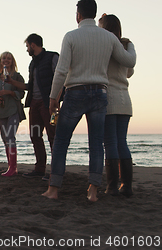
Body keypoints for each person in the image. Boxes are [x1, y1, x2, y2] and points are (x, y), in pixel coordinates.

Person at [42, 0, 136, 201]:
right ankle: (92, 191)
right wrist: (129, 45)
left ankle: (54, 189)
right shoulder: (109, 37)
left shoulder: (71, 36)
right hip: (100, 93)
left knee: (60, 142)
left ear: (78, 15)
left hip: (75, 92)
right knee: (96, 144)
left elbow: (61, 70)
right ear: (95, 14)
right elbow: (129, 62)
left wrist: (53, 97)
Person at [99, 14, 135, 197]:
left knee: (110, 142)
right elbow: (129, 72)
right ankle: (126, 186)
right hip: (125, 98)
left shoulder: (103, 46)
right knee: (122, 141)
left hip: (109, 97)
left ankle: (112, 186)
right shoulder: (127, 45)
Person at [21, 34, 60, 180]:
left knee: (53, 136)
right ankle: (40, 169)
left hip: (49, 103)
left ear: (32, 45)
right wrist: (12, 82)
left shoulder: (52, 57)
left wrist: (56, 100)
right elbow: (30, 86)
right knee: (35, 135)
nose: (27, 50)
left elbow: (60, 77)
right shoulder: (32, 64)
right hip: (35, 104)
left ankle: (55, 170)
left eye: (27, 46)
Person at [0, 52, 26, 177]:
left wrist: (10, 92)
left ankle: (13, 168)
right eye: (3, 58)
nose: (6, 60)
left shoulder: (17, 77)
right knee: (5, 139)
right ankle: (9, 167)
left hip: (13, 110)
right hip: (1, 112)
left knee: (10, 136)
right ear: (0, 61)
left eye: (8, 58)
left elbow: (22, 93)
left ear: (12, 61)